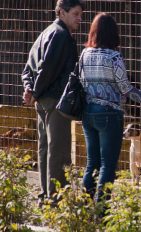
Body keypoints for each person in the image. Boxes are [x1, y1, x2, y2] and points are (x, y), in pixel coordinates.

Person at [80, 13, 141, 203]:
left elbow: (81, 82)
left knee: (91, 163)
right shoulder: (114, 57)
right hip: (110, 114)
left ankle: (84, 207)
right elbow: (126, 88)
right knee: (108, 165)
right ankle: (102, 210)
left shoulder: (84, 54)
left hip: (88, 112)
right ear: (113, 34)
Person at [21, 0, 84, 204]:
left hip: (42, 100)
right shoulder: (60, 35)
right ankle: (56, 199)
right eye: (75, 14)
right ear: (62, 12)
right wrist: (35, 92)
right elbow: (47, 69)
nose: (79, 18)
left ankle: (45, 195)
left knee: (45, 148)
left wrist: (30, 89)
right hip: (55, 100)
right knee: (59, 151)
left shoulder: (46, 32)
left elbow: (28, 66)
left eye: (80, 14)